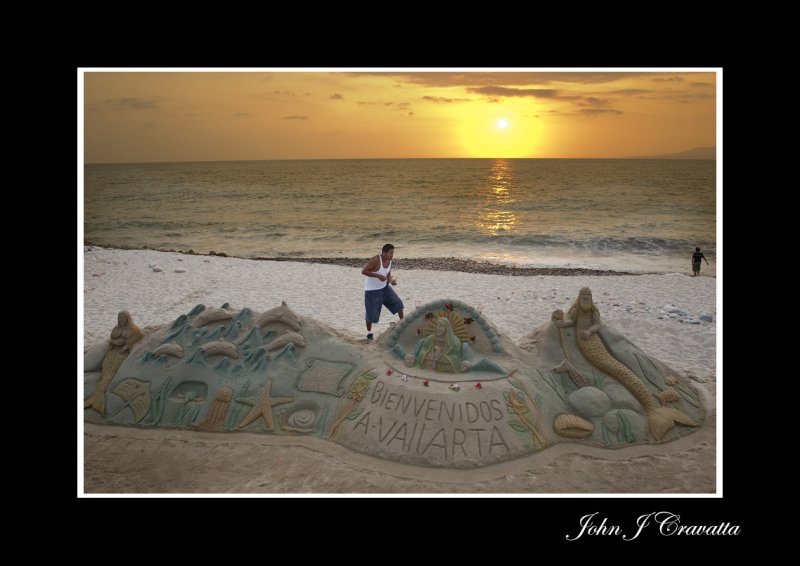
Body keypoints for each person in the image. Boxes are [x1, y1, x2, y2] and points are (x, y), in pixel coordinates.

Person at [362, 243, 404, 340]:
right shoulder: (375, 260)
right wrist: (378, 276)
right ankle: (369, 333)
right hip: (372, 291)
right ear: (384, 252)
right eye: (390, 253)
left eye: (393, 253)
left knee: (398, 303)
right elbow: (364, 271)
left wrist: (392, 280)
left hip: (385, 288)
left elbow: (388, 275)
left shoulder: (390, 261)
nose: (392, 255)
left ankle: (402, 323)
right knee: (371, 314)